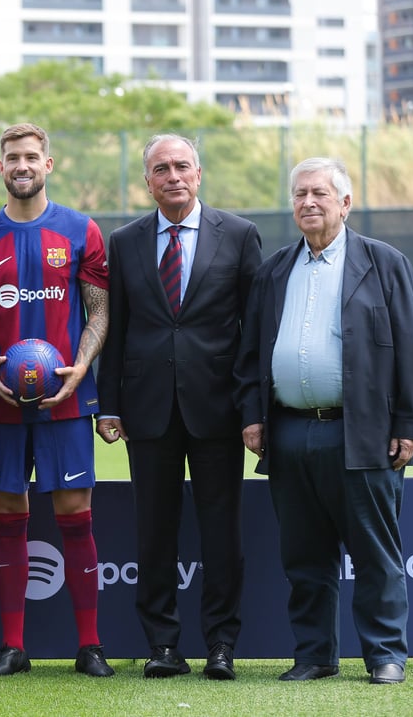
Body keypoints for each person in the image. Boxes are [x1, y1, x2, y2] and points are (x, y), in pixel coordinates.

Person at [235, 157, 413, 685]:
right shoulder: (275, 269)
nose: (308, 203)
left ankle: (386, 655)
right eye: (299, 194)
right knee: (304, 558)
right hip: (290, 430)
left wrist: (408, 424)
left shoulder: (384, 262)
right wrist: (253, 416)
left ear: (345, 203)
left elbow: (411, 348)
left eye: (320, 193)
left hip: (363, 431)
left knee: (375, 555)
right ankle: (315, 656)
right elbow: (252, 352)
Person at [95, 133, 262, 680]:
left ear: (199, 173)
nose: (173, 176)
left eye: (182, 165)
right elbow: (115, 329)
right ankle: (163, 646)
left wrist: (252, 407)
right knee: (154, 532)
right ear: (147, 180)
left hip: (218, 410)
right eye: (161, 168)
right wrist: (109, 404)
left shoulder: (238, 235)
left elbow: (253, 330)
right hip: (146, 411)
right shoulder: (124, 241)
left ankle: (221, 645)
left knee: (222, 534)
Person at [0, 123, 112, 678]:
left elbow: (100, 311)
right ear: (0, 168)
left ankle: (90, 645)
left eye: (31, 157)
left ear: (49, 164)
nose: (21, 165)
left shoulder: (80, 231)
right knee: (7, 513)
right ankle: (13, 647)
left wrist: (82, 369)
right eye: (11, 157)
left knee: (75, 513)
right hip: (1, 403)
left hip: (66, 401)